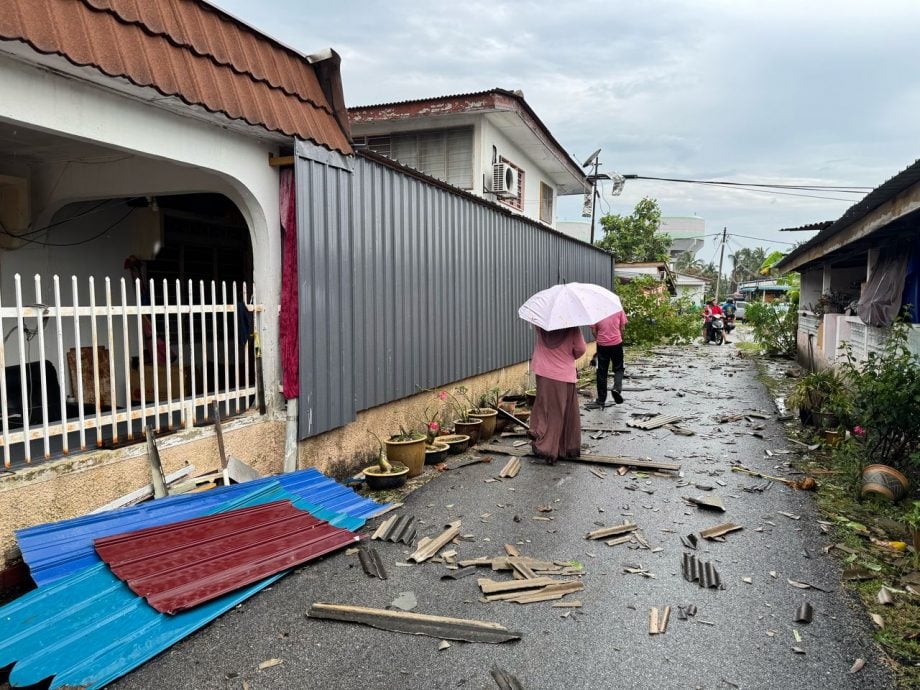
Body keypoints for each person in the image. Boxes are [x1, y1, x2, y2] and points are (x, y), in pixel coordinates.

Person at [529, 326, 587, 464]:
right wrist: (570, 354)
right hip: (563, 373)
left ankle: (544, 443)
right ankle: (561, 448)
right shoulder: (573, 327)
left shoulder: (542, 324)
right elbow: (581, 348)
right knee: (564, 411)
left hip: (543, 372)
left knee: (545, 408)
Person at [589, 309, 628, 407]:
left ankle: (601, 399)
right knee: (619, 368)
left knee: (601, 371)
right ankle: (616, 389)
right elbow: (622, 328)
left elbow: (593, 331)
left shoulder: (595, 311)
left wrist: (600, 339)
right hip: (617, 344)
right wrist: (620, 339)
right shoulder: (618, 309)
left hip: (602, 345)